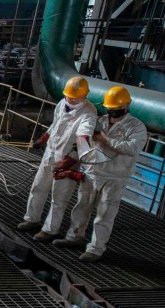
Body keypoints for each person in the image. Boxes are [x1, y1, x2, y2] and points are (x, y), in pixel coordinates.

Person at [53, 85, 147, 261]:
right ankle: (74, 237)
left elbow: (132, 149)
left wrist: (105, 140)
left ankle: (95, 249)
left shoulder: (136, 127)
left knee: (105, 213)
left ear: (126, 106)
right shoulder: (100, 121)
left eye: (116, 110)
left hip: (115, 177)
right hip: (92, 173)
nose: (112, 113)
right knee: (81, 207)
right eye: (110, 109)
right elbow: (86, 143)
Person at [16, 75, 97, 241]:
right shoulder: (62, 103)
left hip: (68, 158)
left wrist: (71, 159)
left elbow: (84, 136)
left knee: (59, 197)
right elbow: (54, 125)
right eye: (70, 96)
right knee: (38, 186)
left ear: (84, 96)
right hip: (50, 152)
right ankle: (32, 219)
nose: (72, 100)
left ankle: (50, 230)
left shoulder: (89, 113)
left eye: (76, 98)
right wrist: (42, 139)